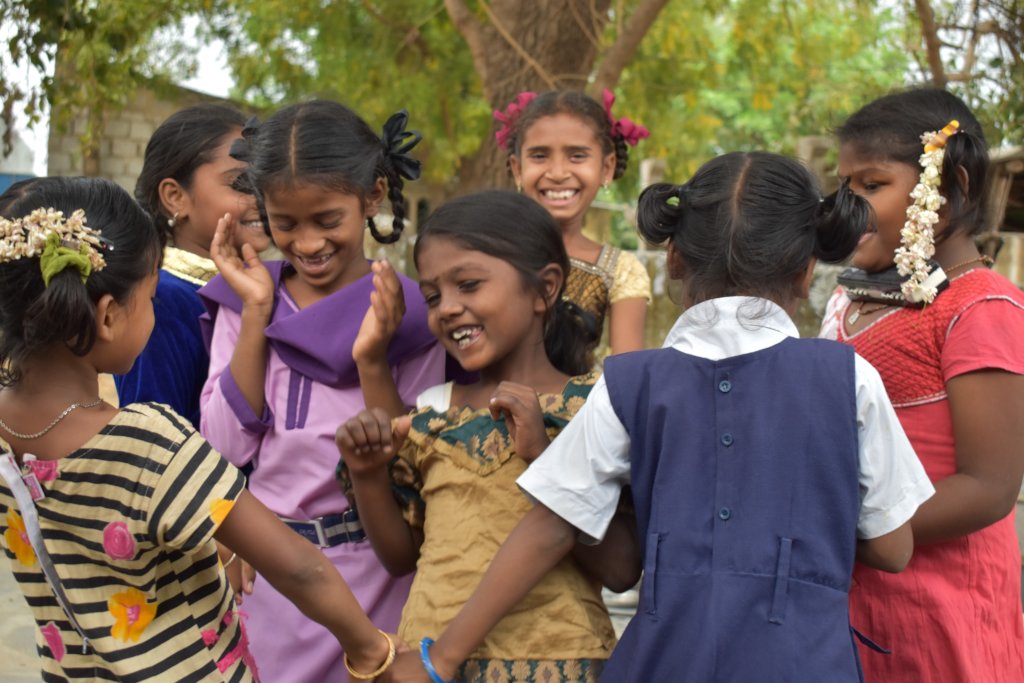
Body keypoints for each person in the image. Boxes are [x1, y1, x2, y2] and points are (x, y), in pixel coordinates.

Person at [377, 153, 937, 683]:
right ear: (807, 268)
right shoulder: (848, 377)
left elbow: (552, 525)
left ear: (674, 259)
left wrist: (441, 658)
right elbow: (893, 548)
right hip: (804, 663)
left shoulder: (627, 383)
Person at [0, 176, 402, 682]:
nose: (152, 315)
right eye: (150, 300)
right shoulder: (148, 441)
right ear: (106, 316)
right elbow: (299, 567)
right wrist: (371, 650)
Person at [336, 190, 641, 683]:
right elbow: (401, 557)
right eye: (433, 296)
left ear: (544, 289)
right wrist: (368, 474)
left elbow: (622, 568)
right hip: (432, 668)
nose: (448, 309)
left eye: (469, 285)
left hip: (560, 664)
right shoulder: (434, 408)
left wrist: (544, 456)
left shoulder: (597, 405)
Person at [198, 100, 446, 683]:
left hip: (378, 579)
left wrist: (372, 358)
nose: (307, 244)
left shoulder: (410, 314)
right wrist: (258, 310)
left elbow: (410, 466)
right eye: (285, 223)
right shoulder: (244, 300)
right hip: (268, 577)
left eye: (327, 219)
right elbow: (223, 447)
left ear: (374, 195)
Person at [819, 88, 1024, 681]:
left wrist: (841, 528)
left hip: (939, 608)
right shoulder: (848, 300)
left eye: (872, 186)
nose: (848, 206)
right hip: (850, 601)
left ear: (950, 184)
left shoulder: (981, 306)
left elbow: (989, 486)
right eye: (844, 188)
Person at [116, 103, 272, 426]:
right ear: (175, 197)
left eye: (267, 181)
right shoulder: (160, 301)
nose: (263, 198)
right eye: (241, 183)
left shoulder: (263, 292)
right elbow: (153, 445)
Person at [494, 89, 652, 357]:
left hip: (588, 400)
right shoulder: (486, 254)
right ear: (517, 168)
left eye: (577, 156)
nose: (557, 173)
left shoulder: (621, 272)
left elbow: (627, 381)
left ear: (606, 168)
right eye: (540, 156)